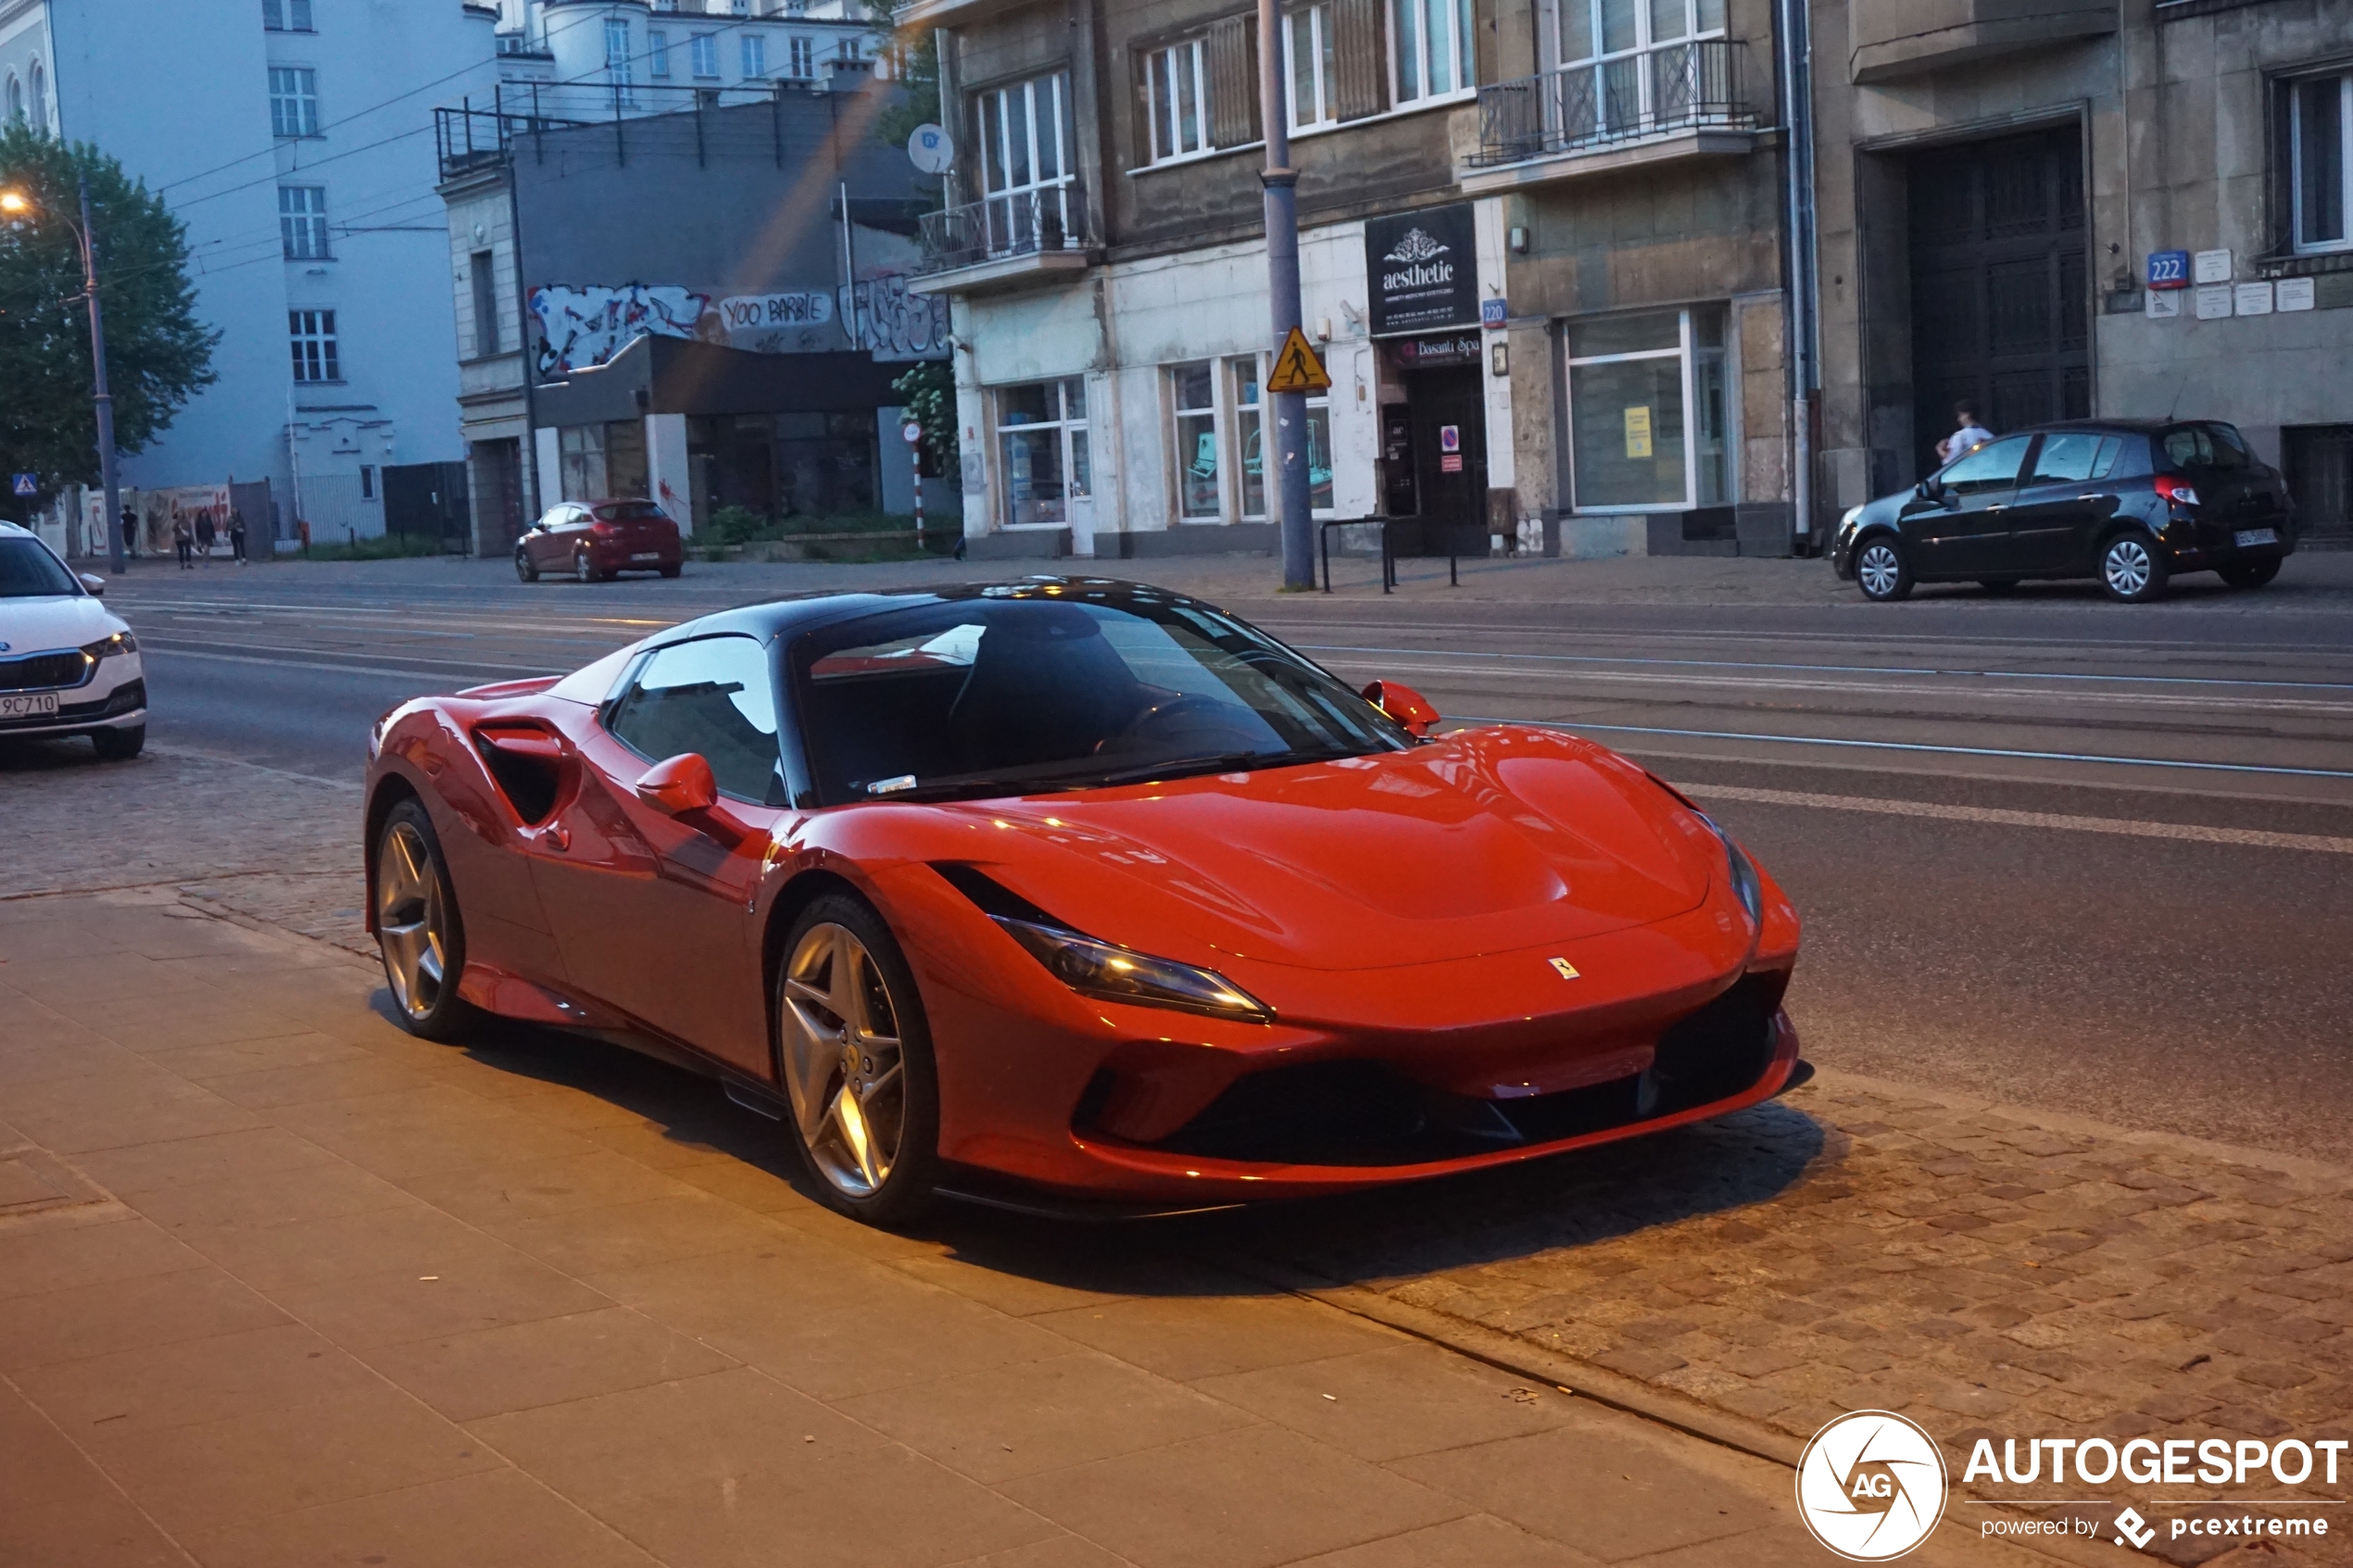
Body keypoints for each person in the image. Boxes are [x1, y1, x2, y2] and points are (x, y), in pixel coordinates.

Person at [1936, 401, 1995, 466]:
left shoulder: (1960, 436)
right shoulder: (1990, 436)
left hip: (1966, 473)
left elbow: (1949, 463)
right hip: (1987, 473)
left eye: (1960, 415)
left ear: (1967, 414)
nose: (1958, 419)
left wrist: (1940, 450)